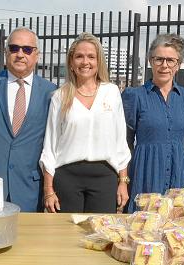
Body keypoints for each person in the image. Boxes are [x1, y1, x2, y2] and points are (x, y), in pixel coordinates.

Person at [40, 32, 131, 214]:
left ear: (98, 62)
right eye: (79, 56)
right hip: (67, 178)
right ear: (71, 63)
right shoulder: (60, 96)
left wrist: (123, 182)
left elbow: (120, 142)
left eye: (91, 56)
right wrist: (48, 190)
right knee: (66, 238)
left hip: (104, 178)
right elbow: (50, 146)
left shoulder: (112, 93)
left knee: (101, 238)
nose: (85, 62)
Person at [0, 27, 56, 212]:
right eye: (14, 48)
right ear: (6, 52)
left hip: (29, 189)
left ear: (37, 55)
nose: (20, 54)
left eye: (27, 49)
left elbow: (51, 141)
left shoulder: (51, 92)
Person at [122, 33, 184, 213]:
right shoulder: (135, 96)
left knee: (177, 232)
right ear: (150, 61)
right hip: (146, 172)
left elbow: (183, 132)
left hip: (179, 172)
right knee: (143, 230)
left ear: (178, 65)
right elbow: (125, 143)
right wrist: (123, 181)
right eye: (159, 59)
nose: (164, 65)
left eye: (171, 60)